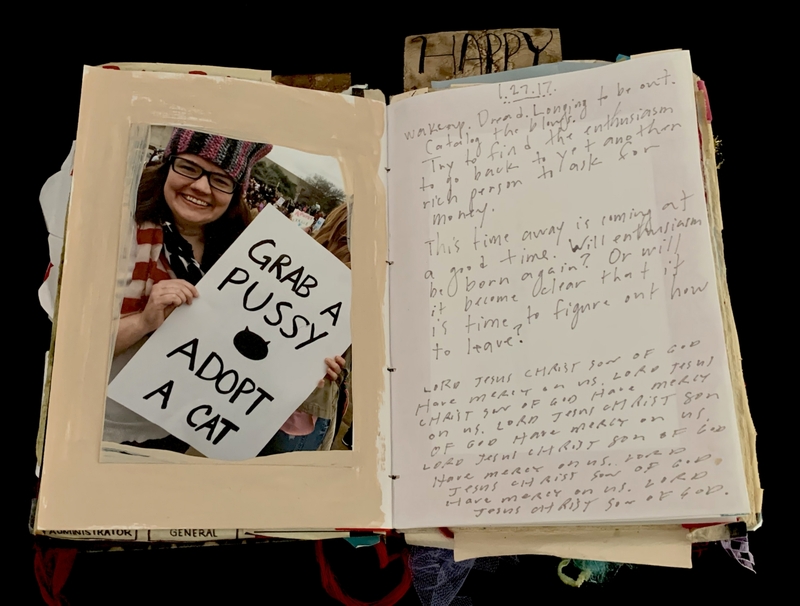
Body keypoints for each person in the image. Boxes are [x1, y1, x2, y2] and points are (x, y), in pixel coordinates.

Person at [104, 127, 346, 455]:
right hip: (100, 427)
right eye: (189, 167)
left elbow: (254, 349)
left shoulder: (245, 256)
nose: (201, 186)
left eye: (221, 180)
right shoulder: (114, 230)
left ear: (236, 191)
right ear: (167, 164)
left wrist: (306, 365)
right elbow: (71, 349)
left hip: (179, 431)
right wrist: (144, 322)